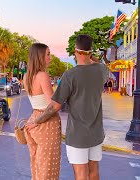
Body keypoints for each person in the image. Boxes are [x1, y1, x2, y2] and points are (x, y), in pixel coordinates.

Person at [27, 34, 108, 180]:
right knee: (94, 171)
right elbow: (100, 63)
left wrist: (36, 121)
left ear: (76, 51)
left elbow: (54, 106)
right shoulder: (101, 71)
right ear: (90, 52)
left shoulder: (70, 75)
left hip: (77, 134)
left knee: (81, 174)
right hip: (96, 133)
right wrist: (89, 55)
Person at [23, 43, 62, 180]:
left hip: (33, 120)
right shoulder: (42, 75)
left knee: (36, 163)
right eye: (48, 54)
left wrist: (35, 121)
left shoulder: (26, 76)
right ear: (40, 56)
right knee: (48, 166)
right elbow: (52, 105)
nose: (50, 58)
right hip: (46, 123)